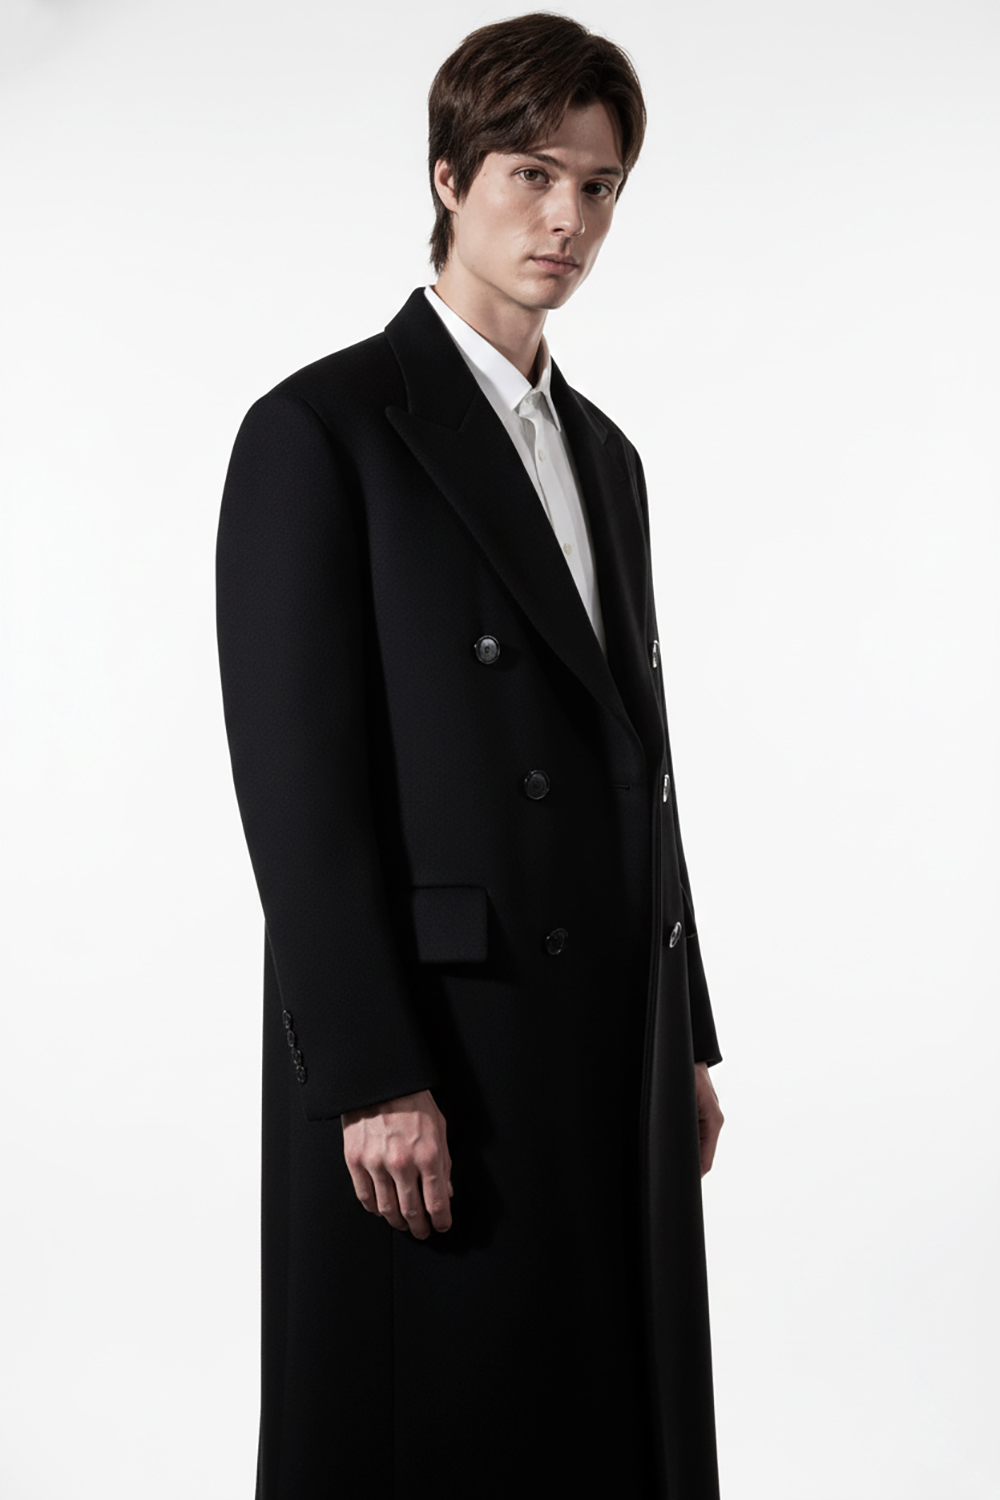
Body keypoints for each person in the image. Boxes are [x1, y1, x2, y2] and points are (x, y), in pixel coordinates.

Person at [216, 13, 724, 1499]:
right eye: (532, 175)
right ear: (449, 176)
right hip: (444, 1037)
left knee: (601, 1423)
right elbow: (297, 790)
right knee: (441, 1425)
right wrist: (371, 1073)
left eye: (599, 186)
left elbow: (640, 756)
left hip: (608, 1020)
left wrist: (685, 1027)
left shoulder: (606, 455)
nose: (569, 219)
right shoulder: (323, 430)